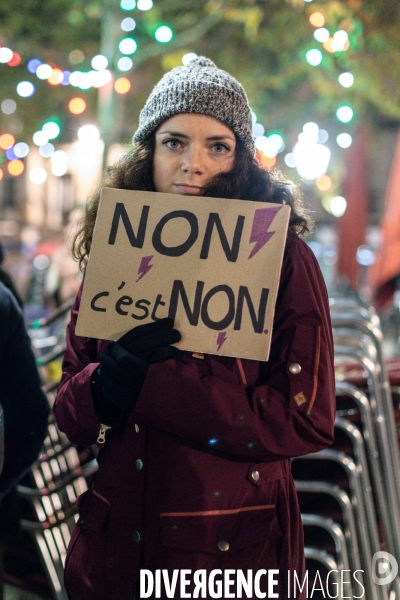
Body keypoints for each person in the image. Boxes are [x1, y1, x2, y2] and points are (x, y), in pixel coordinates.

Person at [54, 57, 336, 600]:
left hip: (227, 555)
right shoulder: (118, 251)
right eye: (175, 142)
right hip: (115, 551)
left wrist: (161, 389)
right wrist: (102, 388)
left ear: (243, 160)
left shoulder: (283, 259)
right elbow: (69, 411)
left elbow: (307, 418)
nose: (193, 165)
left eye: (218, 146)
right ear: (149, 153)